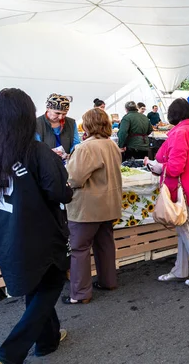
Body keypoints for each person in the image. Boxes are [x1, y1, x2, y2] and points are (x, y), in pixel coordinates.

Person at [0, 88, 73, 364]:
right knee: (50, 284)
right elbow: (59, 192)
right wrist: (68, 185)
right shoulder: (36, 151)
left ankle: (48, 341)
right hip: (42, 234)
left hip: (7, 235)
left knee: (35, 286)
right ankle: (9, 352)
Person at [147, 99, 189, 287]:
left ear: (172, 115)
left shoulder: (179, 133)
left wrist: (159, 167)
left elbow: (176, 167)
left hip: (182, 191)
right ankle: (181, 269)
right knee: (185, 231)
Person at [63, 108, 122, 304]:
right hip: (108, 204)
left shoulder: (85, 148)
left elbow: (75, 179)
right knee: (105, 244)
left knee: (79, 249)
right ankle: (108, 281)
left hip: (87, 208)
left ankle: (80, 294)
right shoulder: (111, 145)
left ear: (87, 125)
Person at [36, 93, 81, 159]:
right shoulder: (37, 123)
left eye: (64, 114)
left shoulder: (71, 123)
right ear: (48, 108)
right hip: (45, 162)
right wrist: (47, 152)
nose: (60, 117)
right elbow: (35, 147)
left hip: (67, 163)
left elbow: (76, 143)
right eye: (57, 113)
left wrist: (71, 154)